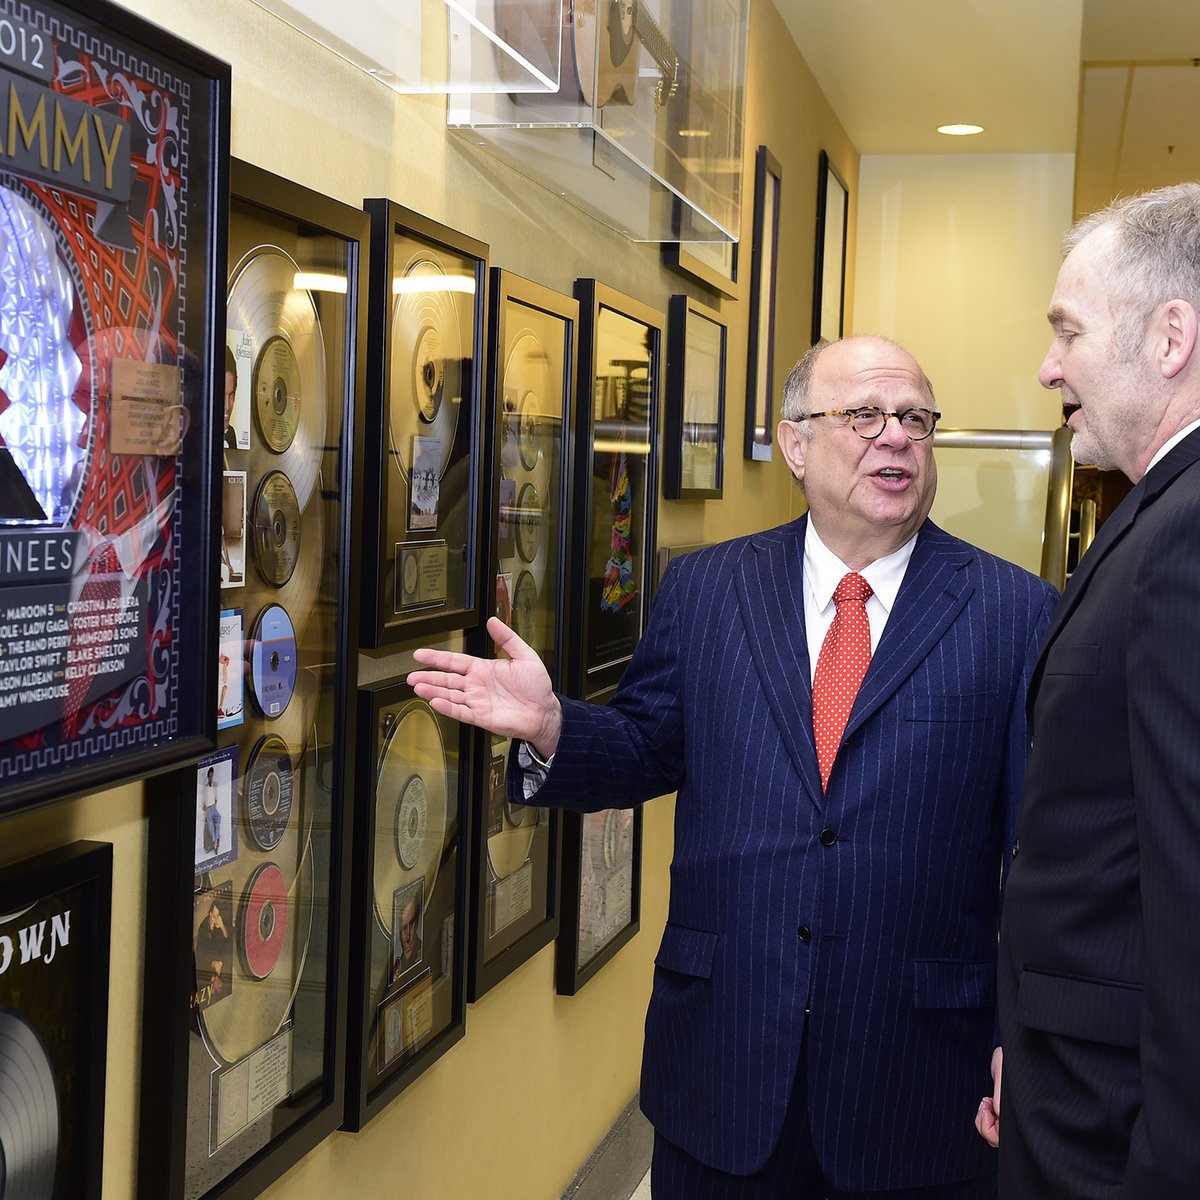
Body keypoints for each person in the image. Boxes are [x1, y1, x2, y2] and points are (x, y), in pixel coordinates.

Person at [410, 335, 1057, 1199]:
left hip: (918, 1082)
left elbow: (1038, 858)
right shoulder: (707, 590)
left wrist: (1030, 1038)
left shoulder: (1017, 613)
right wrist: (556, 724)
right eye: (864, 415)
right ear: (794, 443)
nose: (895, 437)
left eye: (914, 418)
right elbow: (646, 746)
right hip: (724, 1062)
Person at [988, 182, 1200, 1199]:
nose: (1047, 366)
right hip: (1073, 1078)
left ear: (1171, 338)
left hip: (1115, 1132)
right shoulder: (1156, 510)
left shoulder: (1186, 533)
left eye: (1067, 329)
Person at [392, 890, 423, 981]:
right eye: (404, 929)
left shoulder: (425, 951)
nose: (408, 937)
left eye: (412, 924)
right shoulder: (395, 965)